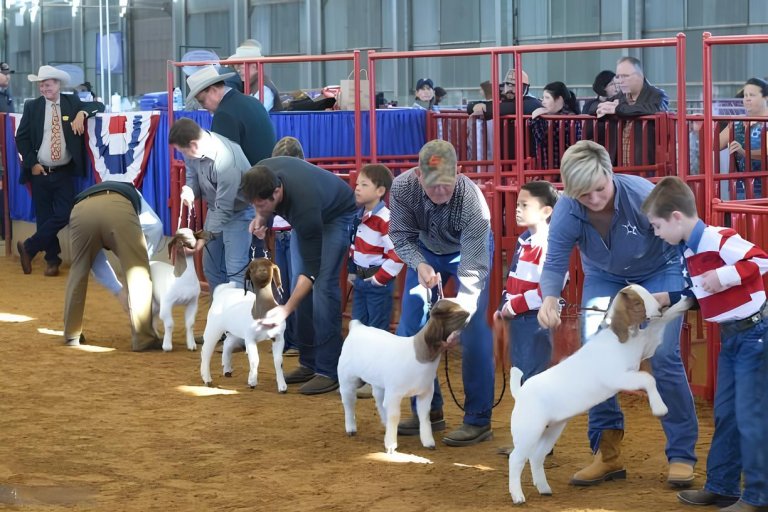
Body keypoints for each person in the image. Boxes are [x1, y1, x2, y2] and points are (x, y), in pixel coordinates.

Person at [537, 140, 699, 488]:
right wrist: (550, 298)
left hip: (661, 269)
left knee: (664, 356)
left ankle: (682, 454)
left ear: (610, 174)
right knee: (597, 358)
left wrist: (683, 289)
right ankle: (606, 453)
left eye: (599, 189)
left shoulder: (642, 193)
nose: (594, 199)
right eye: (583, 194)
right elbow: (554, 260)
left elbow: (683, 235)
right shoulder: (567, 210)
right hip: (603, 276)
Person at [641, 176, 768, 512]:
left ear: (676, 217)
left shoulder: (717, 238)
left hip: (755, 335)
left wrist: (723, 276)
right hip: (733, 338)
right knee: (726, 413)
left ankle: (758, 496)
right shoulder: (690, 250)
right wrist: (666, 298)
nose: (656, 233)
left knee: (751, 416)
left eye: (656, 226)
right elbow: (701, 293)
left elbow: (761, 260)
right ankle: (723, 487)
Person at [389, 139, 495, 447]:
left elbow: (474, 270)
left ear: (459, 173)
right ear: (418, 176)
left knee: (474, 332)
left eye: (446, 185)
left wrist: (461, 314)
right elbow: (400, 235)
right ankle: (428, 410)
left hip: (467, 253)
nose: (439, 193)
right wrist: (419, 264)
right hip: (425, 253)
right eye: (432, 186)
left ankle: (478, 419)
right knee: (411, 328)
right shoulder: (402, 188)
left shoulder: (473, 201)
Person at [241, 157, 356, 396]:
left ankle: (328, 370)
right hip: (309, 213)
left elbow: (311, 273)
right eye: (255, 204)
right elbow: (259, 201)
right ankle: (308, 362)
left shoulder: (304, 205)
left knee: (322, 287)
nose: (258, 208)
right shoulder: (259, 175)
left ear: (277, 191)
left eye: (263, 204)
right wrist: (262, 217)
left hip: (335, 215)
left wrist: (285, 309)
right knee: (296, 284)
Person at [15, 65, 105, 277]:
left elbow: (99, 106)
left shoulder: (71, 102)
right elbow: (22, 138)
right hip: (39, 171)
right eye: (41, 85)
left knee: (65, 213)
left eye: (47, 84)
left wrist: (82, 113)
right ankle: (52, 260)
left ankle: (29, 247)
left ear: (57, 84)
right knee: (44, 217)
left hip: (64, 170)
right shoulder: (32, 107)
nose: (43, 88)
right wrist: (32, 164)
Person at [63, 181, 160, 351]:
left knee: (78, 271)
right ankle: (144, 339)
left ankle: (71, 334)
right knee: (138, 273)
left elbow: (95, 263)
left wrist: (117, 290)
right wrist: (144, 259)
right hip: (119, 208)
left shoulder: (91, 193)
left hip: (80, 210)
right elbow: (155, 226)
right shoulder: (133, 193)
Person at [169, 117, 253, 292]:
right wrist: (190, 190)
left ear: (193, 144)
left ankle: (238, 316)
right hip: (215, 210)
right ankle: (218, 313)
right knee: (211, 269)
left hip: (239, 212)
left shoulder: (226, 160)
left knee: (235, 271)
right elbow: (192, 176)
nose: (183, 155)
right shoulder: (193, 152)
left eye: (182, 151)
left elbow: (225, 208)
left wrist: (202, 238)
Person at [494, 180, 560, 383]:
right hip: (518, 320)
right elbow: (512, 278)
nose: (517, 210)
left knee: (533, 380)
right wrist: (503, 305)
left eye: (525, 205)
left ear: (546, 211)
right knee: (521, 375)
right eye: (517, 205)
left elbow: (548, 290)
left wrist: (512, 306)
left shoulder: (550, 245)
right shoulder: (525, 241)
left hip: (535, 319)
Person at [347, 163, 404, 331]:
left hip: (377, 282)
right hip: (360, 279)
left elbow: (398, 253)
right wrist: (352, 269)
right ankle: (361, 358)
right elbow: (354, 245)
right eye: (357, 184)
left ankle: (376, 358)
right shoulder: (359, 215)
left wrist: (380, 278)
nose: (357, 188)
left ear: (380, 191)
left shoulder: (385, 219)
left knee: (376, 330)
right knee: (357, 325)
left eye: (364, 185)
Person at [186, 64, 275, 166]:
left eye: (202, 101)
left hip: (249, 178)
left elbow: (224, 163)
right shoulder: (253, 101)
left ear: (213, 91)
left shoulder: (224, 114)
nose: (203, 107)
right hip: (267, 174)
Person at [90, 191, 164, 310]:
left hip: (124, 203)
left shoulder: (134, 215)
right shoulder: (88, 226)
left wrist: (145, 260)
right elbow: (96, 263)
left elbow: (156, 227)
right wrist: (119, 291)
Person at [269, 136, 306, 357]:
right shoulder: (278, 179)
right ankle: (288, 337)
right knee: (282, 287)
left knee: (296, 285)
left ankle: (300, 340)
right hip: (280, 235)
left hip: (295, 234)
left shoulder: (304, 181)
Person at [595, 56, 668, 166]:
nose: (620, 81)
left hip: (645, 164)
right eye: (618, 77)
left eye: (625, 76)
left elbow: (653, 109)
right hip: (619, 164)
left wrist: (617, 109)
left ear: (640, 75)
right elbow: (593, 108)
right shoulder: (620, 96)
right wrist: (603, 107)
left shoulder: (657, 95)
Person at [467, 68, 542, 160]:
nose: (510, 88)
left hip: (527, 157)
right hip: (503, 157)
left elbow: (521, 107)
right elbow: (470, 107)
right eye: (508, 84)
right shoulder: (502, 100)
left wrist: (488, 108)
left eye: (515, 85)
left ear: (525, 87)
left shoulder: (531, 102)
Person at [718, 77, 768, 199]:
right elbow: (714, 145)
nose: (747, 99)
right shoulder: (737, 122)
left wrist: (744, 152)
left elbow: (766, 152)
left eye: (752, 95)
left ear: (765, 97)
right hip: (739, 188)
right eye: (745, 95)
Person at [530, 81, 582, 170]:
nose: (543, 102)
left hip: (563, 168)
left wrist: (537, 119)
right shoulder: (549, 117)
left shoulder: (569, 119)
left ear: (559, 100)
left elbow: (542, 139)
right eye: (543, 98)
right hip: (556, 168)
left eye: (547, 98)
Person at [229, 39, 283, 113]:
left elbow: (255, 113)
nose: (240, 68)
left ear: (256, 66)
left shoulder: (264, 88)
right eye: (238, 64)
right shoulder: (241, 85)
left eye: (245, 64)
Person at [583, 70, 618, 146]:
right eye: (612, 84)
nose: (616, 87)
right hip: (596, 144)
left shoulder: (619, 102)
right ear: (603, 87)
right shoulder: (590, 105)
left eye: (617, 84)